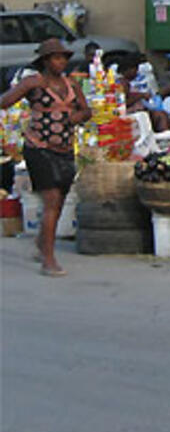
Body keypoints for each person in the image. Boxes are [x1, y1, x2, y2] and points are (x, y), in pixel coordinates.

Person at [1, 39, 91, 277]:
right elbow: (6, 101)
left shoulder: (72, 84)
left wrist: (75, 117)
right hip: (38, 148)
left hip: (64, 148)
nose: (60, 62)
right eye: (55, 58)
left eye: (63, 58)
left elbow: (86, 110)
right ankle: (48, 260)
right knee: (51, 199)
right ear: (45, 61)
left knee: (59, 200)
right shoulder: (34, 82)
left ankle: (42, 244)